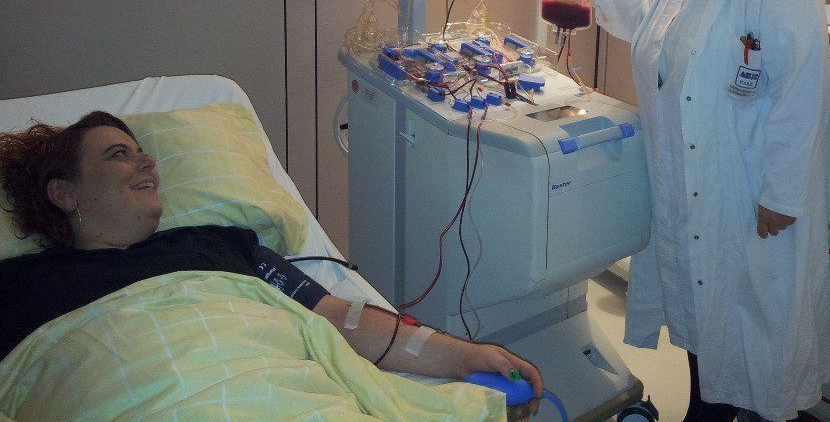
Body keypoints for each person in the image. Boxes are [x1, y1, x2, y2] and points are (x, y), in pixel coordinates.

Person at [0, 111, 543, 417]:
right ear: (64, 193)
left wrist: (467, 357)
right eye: (117, 154)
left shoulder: (217, 245)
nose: (146, 162)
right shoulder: (18, 288)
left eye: (142, 151)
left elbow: (340, 318)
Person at [570, 0, 830, 422]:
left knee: (752, 323)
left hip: (745, 182)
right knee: (702, 313)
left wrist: (781, 194)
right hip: (692, 180)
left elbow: (803, 91)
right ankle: (703, 408)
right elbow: (661, 36)